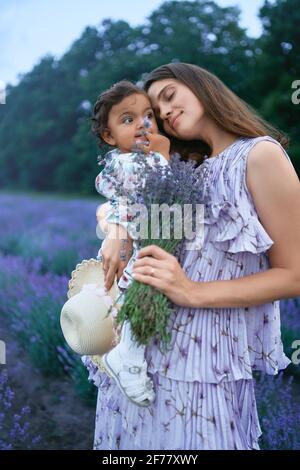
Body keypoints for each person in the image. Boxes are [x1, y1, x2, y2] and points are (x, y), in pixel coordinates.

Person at [84, 63, 300, 450]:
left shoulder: (258, 155)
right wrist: (115, 228)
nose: (163, 113)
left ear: (204, 87)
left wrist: (191, 291)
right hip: (137, 362)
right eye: (155, 111)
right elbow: (121, 202)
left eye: (168, 97)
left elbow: (295, 274)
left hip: (204, 367)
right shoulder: (184, 169)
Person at [88, 80, 174, 408]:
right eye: (128, 119)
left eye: (148, 115)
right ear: (109, 137)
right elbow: (146, 195)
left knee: (139, 303)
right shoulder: (129, 162)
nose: (142, 124)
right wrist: (164, 154)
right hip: (134, 247)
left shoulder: (137, 159)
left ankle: (129, 356)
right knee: (144, 297)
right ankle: (129, 359)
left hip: (140, 243)